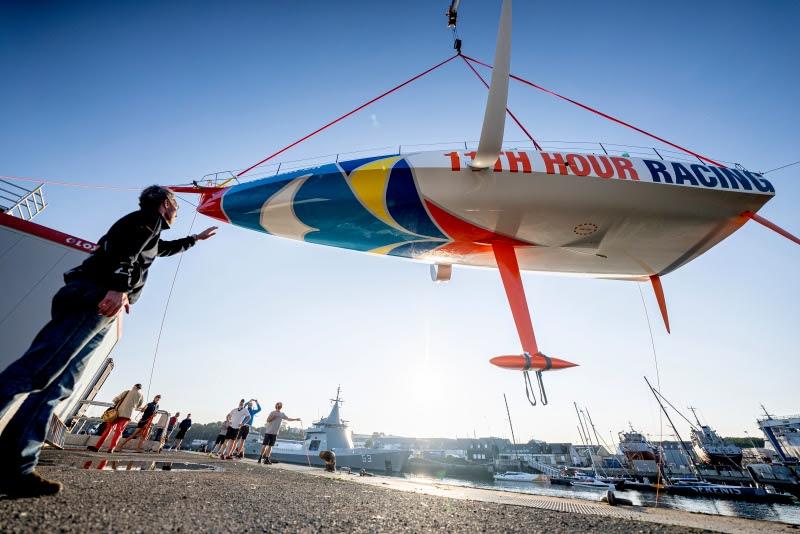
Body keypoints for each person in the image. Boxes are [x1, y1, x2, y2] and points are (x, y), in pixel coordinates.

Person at [0, 185, 217, 497]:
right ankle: (14, 466)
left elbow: (159, 250)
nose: (178, 212)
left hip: (99, 299)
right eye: (175, 206)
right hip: (96, 296)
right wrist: (117, 287)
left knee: (57, 384)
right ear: (165, 202)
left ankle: (15, 468)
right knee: (37, 370)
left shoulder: (148, 231)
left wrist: (194, 240)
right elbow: (124, 253)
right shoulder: (146, 220)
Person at [88, 383, 144, 453]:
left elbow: (115, 400)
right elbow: (138, 406)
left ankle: (97, 447)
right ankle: (111, 449)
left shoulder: (127, 392)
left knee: (107, 430)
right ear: (140, 389)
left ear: (134, 386)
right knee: (118, 432)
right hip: (127, 416)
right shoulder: (141, 396)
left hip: (117, 414)